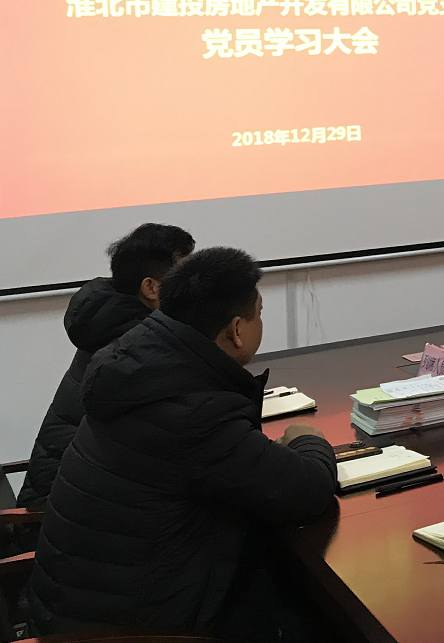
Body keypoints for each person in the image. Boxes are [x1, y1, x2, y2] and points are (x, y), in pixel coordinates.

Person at [25, 247, 338, 641]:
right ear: (236, 329)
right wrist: (307, 438)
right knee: (312, 608)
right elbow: (308, 488)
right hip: (136, 630)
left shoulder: (137, 366)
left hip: (71, 610)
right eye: (259, 313)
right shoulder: (195, 414)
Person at [17, 223, 195, 509]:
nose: (196, 288)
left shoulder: (114, 322)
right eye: (186, 277)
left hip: (83, 495)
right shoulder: (135, 345)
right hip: (68, 512)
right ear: (151, 288)